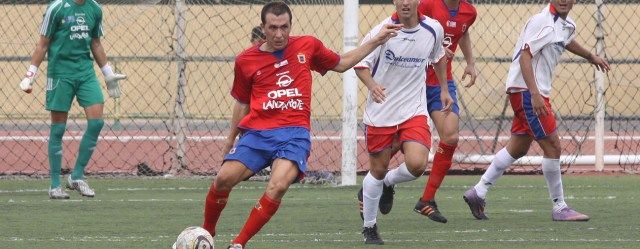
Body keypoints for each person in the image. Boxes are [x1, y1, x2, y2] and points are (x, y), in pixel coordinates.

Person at [200, 2, 401, 249]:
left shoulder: (307, 45)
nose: (279, 34)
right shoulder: (245, 60)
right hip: (257, 133)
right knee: (223, 179)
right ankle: (206, 233)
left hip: (294, 134)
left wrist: (377, 41)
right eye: (272, 28)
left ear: (290, 25)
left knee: (278, 185)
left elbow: (341, 63)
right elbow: (242, 102)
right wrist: (231, 141)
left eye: (284, 27)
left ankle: (238, 244)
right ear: (263, 27)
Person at [463, 0, 610, 222]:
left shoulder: (566, 24)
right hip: (527, 92)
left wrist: (591, 56)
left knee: (518, 147)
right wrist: (534, 94)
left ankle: (479, 191)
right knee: (553, 145)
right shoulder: (543, 22)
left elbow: (566, 41)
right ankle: (559, 206)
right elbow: (525, 56)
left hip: (529, 92)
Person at [354, 0, 450, 244]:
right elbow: (360, 63)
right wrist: (373, 85)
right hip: (381, 112)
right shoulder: (382, 31)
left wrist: (443, 89)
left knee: (418, 164)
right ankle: (370, 227)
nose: (405, 2)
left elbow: (439, 57)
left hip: (413, 109)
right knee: (376, 170)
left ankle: (389, 182)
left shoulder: (433, 29)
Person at [377, 0, 478, 224]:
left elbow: (463, 32)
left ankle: (427, 199)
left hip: (440, 83)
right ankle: (379, 182)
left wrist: (470, 62)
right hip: (414, 81)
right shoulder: (429, 5)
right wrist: (437, 50)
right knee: (394, 143)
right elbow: (409, 28)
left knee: (450, 136)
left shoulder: (469, 11)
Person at [19, 0, 126, 199]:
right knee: (58, 128)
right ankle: (54, 185)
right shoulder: (56, 8)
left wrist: (108, 73)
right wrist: (29, 75)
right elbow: (43, 44)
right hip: (60, 74)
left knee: (97, 123)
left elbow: (96, 43)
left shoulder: (94, 8)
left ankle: (76, 177)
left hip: (85, 73)